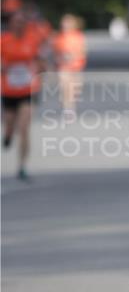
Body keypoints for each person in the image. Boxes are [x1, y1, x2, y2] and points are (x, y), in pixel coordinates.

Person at [1, 10, 46, 180]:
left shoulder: (33, 40)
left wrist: (40, 69)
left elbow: (41, 62)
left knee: (24, 128)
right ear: (10, 24)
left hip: (28, 89)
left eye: (22, 22)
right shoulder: (3, 41)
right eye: (16, 22)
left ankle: (22, 166)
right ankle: (7, 135)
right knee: (10, 124)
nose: (19, 25)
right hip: (9, 89)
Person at [51, 14, 87, 116]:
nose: (66, 25)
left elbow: (83, 51)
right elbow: (55, 53)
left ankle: (71, 104)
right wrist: (60, 59)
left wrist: (74, 56)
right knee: (66, 87)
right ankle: (68, 108)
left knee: (75, 89)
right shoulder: (59, 37)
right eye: (64, 23)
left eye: (68, 23)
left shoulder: (78, 36)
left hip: (76, 66)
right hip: (64, 67)